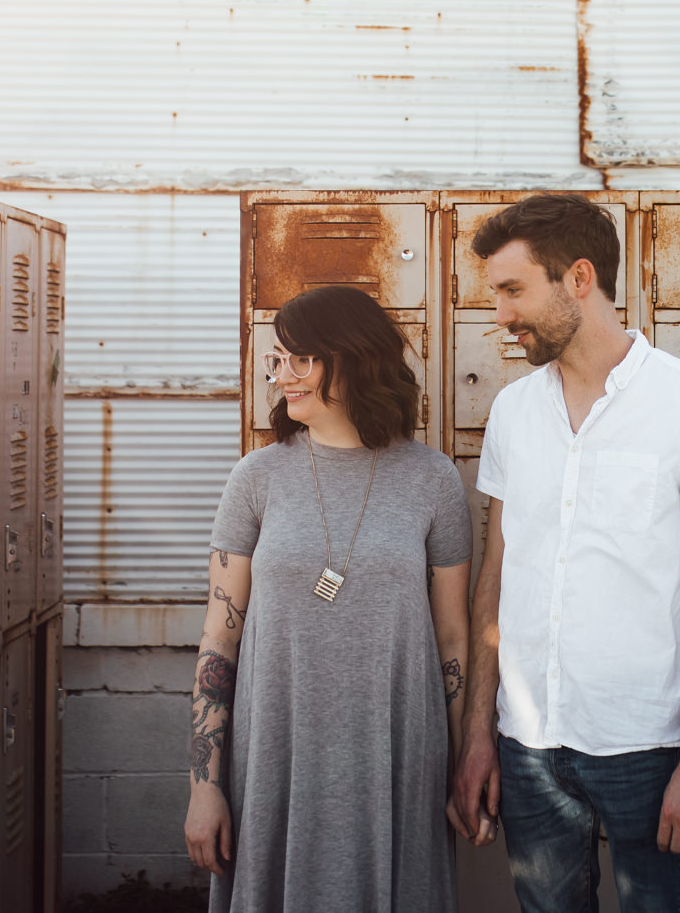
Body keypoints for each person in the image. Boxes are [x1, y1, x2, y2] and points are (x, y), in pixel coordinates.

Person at [449, 194, 680, 913]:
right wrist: (478, 736)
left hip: (646, 748)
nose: (499, 313)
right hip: (528, 745)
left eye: (512, 289)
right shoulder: (514, 413)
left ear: (578, 278)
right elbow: (495, 581)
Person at [186, 284, 473, 913]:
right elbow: (219, 638)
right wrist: (204, 786)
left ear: (354, 358)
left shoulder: (433, 479)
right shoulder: (255, 479)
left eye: (300, 359)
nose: (281, 375)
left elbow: (454, 638)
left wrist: (464, 763)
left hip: (397, 758)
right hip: (274, 759)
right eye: (276, 359)